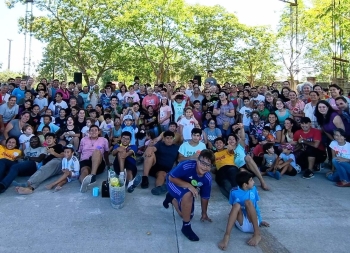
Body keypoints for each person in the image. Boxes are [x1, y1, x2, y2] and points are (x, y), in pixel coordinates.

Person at [163, 149, 215, 241]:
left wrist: (204, 213)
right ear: (197, 160)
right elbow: (171, 177)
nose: (204, 166)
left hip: (186, 187)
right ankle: (186, 227)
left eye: (208, 165)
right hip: (173, 182)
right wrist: (189, 185)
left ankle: (171, 199)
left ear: (211, 167)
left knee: (186, 215)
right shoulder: (187, 165)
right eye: (202, 162)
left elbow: (205, 197)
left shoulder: (207, 178)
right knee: (188, 194)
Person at [218, 171, 269, 250]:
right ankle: (226, 236)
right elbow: (234, 208)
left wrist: (260, 220)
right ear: (245, 184)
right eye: (251, 180)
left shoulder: (254, 189)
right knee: (236, 205)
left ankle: (257, 234)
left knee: (248, 202)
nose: (254, 182)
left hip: (253, 222)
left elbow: (256, 206)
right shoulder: (234, 191)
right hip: (242, 224)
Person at [141, 130, 179, 194]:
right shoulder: (159, 144)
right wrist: (149, 148)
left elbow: (179, 159)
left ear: (173, 139)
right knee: (150, 154)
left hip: (164, 170)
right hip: (154, 166)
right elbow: (153, 148)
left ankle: (158, 188)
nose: (169, 140)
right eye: (167, 138)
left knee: (162, 174)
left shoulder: (177, 148)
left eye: (171, 138)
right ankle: (145, 178)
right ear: (163, 139)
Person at [79, 125, 110, 193]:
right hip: (85, 161)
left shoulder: (104, 140)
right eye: (91, 130)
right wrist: (79, 162)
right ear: (89, 132)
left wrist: (108, 163)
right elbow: (80, 152)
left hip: (98, 163)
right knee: (84, 171)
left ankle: (93, 176)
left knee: (96, 151)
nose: (93, 132)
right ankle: (83, 184)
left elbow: (106, 153)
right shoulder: (83, 140)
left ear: (99, 132)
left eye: (96, 130)